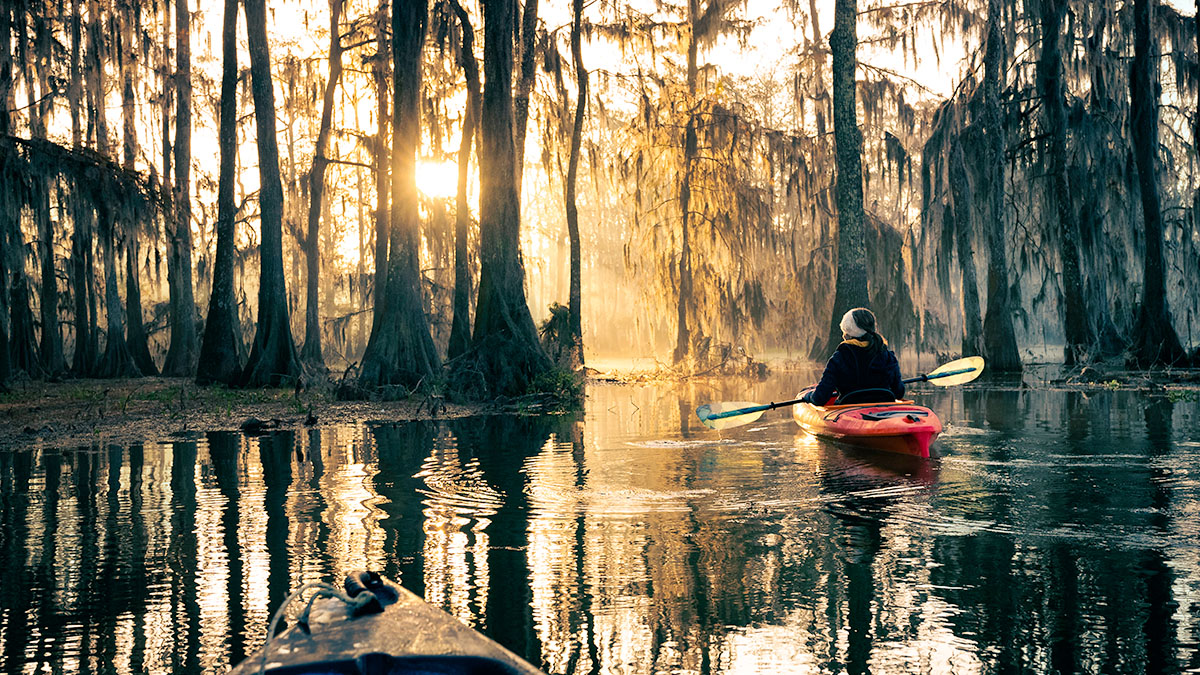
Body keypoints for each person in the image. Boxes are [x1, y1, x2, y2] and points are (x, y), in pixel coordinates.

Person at [800, 307, 905, 405]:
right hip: (882, 409)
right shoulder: (887, 356)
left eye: (844, 332)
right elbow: (899, 392)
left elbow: (819, 398)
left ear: (848, 334)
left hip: (850, 408)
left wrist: (808, 396)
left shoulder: (840, 358)